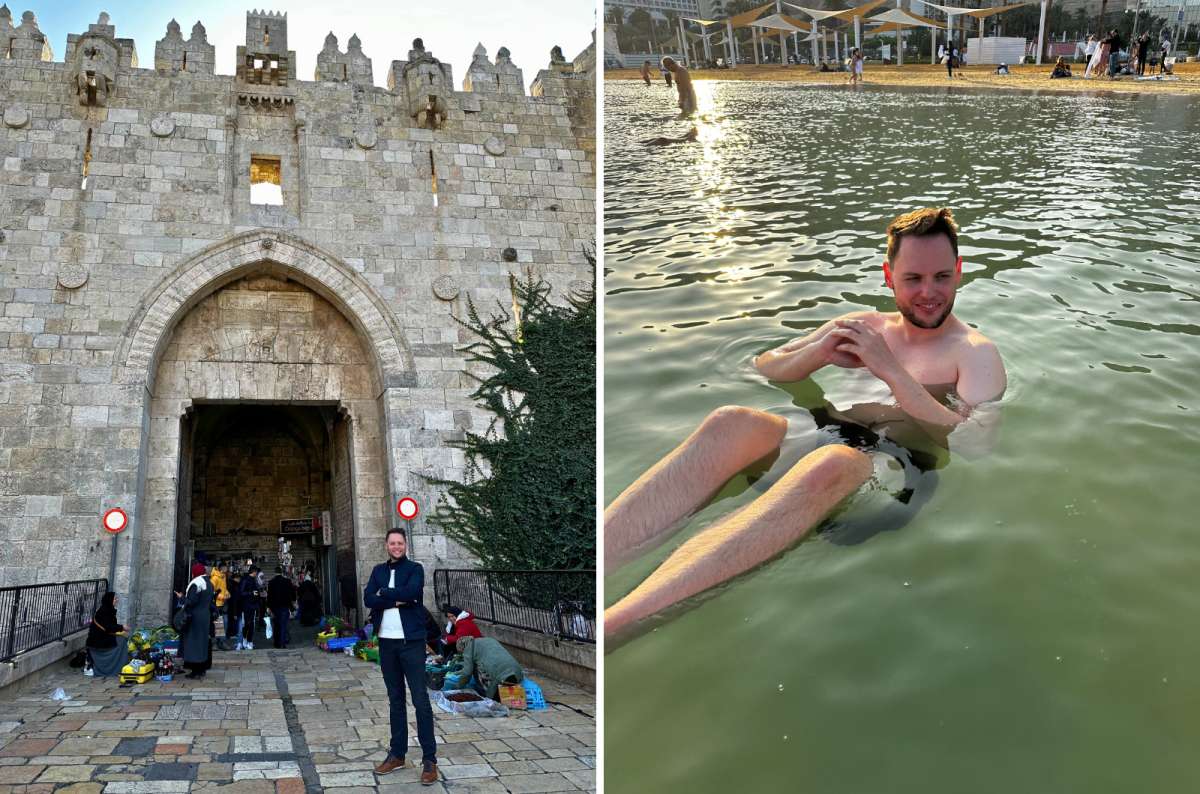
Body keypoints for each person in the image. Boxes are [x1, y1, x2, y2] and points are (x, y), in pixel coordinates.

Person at [603, 207, 1007, 636]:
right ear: (889, 276)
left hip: (893, 462)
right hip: (823, 429)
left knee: (832, 462)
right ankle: (592, 569)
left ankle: (617, 624)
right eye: (913, 279)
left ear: (959, 271)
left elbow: (977, 444)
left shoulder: (975, 353)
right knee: (730, 421)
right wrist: (815, 354)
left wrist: (891, 370)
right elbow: (765, 366)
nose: (929, 292)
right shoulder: (865, 327)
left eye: (941, 277)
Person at [366, 528, 438, 785]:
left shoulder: (415, 569)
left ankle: (430, 759)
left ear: (405, 545)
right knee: (395, 699)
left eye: (400, 543)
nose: (396, 547)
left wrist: (384, 594)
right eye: (392, 543)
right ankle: (397, 753)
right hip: (387, 643)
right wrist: (392, 599)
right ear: (386, 545)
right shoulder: (378, 571)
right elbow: (367, 599)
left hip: (412, 642)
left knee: (420, 700)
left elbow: (412, 593)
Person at [454, 636, 523, 701]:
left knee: (479, 673)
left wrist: (457, 687)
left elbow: (467, 673)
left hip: (500, 677)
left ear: (463, 648)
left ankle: (489, 692)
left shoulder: (469, 648)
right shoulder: (489, 639)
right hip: (517, 671)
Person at [179, 561, 214, 679]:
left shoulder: (196, 584)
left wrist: (182, 598)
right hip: (205, 616)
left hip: (195, 618)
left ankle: (195, 671)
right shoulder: (209, 583)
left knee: (193, 644)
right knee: (202, 644)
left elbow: (191, 602)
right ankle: (202, 669)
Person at [85, 591, 129, 676]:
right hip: (98, 641)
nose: (116, 600)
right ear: (109, 600)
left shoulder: (109, 610)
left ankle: (120, 666)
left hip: (103, 637)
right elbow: (108, 627)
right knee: (122, 641)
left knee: (123, 639)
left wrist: (120, 629)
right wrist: (122, 627)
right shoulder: (104, 611)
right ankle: (117, 668)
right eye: (114, 599)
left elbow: (110, 626)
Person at [267, 567, 297, 649]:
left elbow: (269, 596)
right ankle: (282, 643)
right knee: (283, 625)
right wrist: (293, 603)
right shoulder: (287, 581)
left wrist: (269, 607)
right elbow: (292, 593)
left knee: (276, 625)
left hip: (274, 607)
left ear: (274, 572)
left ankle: (276, 643)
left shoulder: (271, 582)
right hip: (284, 606)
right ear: (282, 572)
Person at [238, 565, 262, 650]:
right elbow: (241, 593)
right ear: (254, 572)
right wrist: (251, 593)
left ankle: (249, 641)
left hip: (253, 605)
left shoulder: (254, 580)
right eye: (256, 572)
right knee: (247, 624)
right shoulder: (245, 580)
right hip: (247, 605)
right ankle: (245, 640)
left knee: (251, 623)